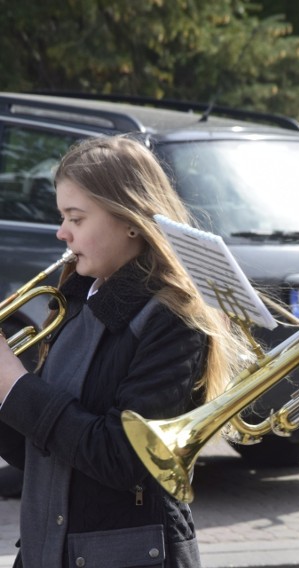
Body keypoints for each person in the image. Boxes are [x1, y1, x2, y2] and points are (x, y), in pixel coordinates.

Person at [0, 135, 252, 568]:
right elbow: (42, 452)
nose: (63, 233)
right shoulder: (76, 296)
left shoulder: (174, 317)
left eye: (76, 218)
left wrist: (15, 387)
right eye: (63, 217)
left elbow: (122, 459)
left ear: (131, 220)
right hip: (49, 551)